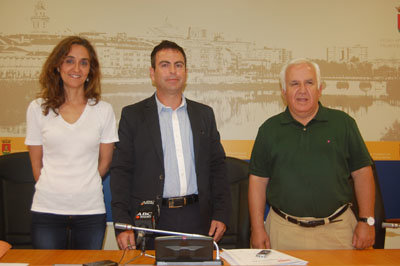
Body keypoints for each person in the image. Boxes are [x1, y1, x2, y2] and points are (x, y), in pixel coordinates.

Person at [111, 40, 231, 250]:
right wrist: (123, 224)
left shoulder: (204, 115)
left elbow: (217, 167)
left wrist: (221, 214)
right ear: (152, 73)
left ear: (185, 71)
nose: (173, 71)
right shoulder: (133, 116)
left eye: (179, 65)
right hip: (151, 220)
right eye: (165, 65)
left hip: (197, 217)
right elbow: (121, 172)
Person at [248, 58, 375, 250]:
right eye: (294, 84)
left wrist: (366, 221)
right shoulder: (268, 130)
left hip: (339, 231)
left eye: (309, 82)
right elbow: (257, 181)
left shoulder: (344, 124)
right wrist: (257, 229)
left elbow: (362, 173)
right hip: (282, 233)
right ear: (283, 91)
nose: (302, 90)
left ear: (320, 88)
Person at [25, 36, 118, 249]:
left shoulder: (103, 111)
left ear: (90, 70)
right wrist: (56, 190)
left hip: (90, 210)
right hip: (47, 209)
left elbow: (104, 163)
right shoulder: (38, 108)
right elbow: (36, 165)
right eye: (69, 60)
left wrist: (82, 186)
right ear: (57, 65)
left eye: (84, 62)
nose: (77, 68)